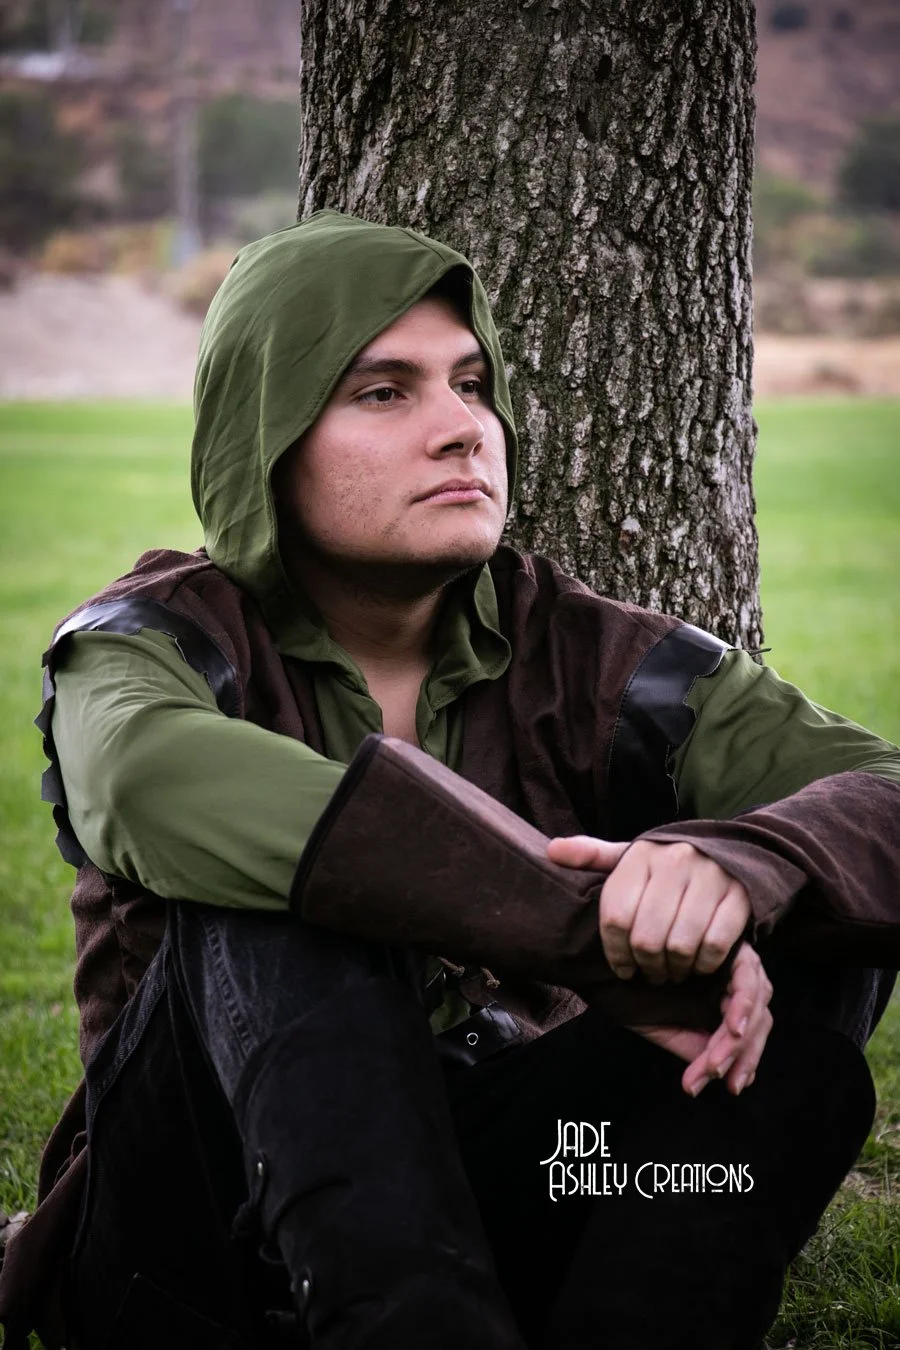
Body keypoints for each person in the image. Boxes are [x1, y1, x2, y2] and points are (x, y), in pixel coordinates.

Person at [1, 210, 899, 1350]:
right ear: (266, 434)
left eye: (473, 386)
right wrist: (578, 930)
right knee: (280, 885)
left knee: (807, 899)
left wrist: (739, 866)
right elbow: (149, 779)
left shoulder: (594, 657)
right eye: (384, 393)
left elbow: (877, 790)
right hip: (193, 1241)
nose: (462, 429)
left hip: (507, 1197)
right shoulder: (154, 640)